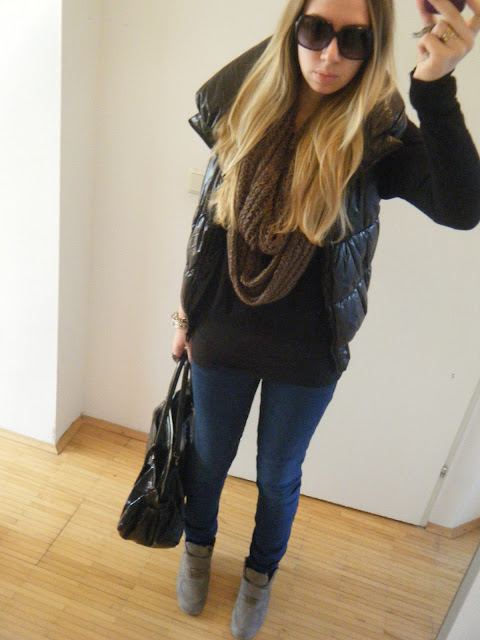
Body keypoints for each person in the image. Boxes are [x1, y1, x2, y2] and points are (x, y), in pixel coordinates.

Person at [171, 0, 480, 637]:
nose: (330, 55)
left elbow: (461, 208)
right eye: (315, 30)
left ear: (376, 46)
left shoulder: (377, 133)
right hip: (221, 328)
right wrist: (183, 313)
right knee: (206, 459)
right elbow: (208, 223)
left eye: (354, 39)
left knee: (278, 477)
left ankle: (260, 575)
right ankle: (197, 548)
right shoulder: (244, 102)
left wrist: (435, 85)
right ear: (293, 29)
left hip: (309, 349)